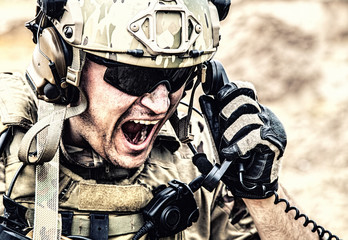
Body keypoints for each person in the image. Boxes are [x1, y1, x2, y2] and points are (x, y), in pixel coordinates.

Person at [0, 0, 329, 239]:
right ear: (61, 64)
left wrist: (262, 195)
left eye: (177, 76)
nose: (159, 103)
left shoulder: (200, 153)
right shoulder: (6, 137)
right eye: (132, 77)